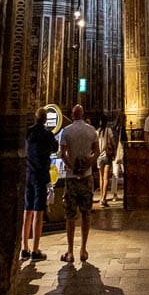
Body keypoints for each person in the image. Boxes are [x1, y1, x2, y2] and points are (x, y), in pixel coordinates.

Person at [58, 104, 98, 264]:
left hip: (71, 178)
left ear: (72, 115)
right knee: (86, 213)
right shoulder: (91, 130)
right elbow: (96, 150)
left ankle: (70, 251)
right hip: (87, 177)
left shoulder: (66, 131)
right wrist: (88, 164)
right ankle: (83, 249)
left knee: (70, 215)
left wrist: (73, 166)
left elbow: (63, 153)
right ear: (83, 114)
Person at [21, 107, 57, 261]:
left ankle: (24, 247)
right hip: (41, 175)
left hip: (28, 174)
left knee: (27, 209)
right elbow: (55, 148)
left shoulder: (27, 133)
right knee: (38, 210)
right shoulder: (47, 134)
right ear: (45, 120)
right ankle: (35, 249)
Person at [96, 113, 117, 206]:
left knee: (100, 178)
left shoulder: (97, 132)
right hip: (107, 156)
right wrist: (115, 150)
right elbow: (113, 142)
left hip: (99, 157)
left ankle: (101, 197)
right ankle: (103, 198)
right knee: (106, 178)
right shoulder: (108, 130)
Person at [110, 124, 124, 202]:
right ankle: (125, 193)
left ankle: (114, 194)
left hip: (115, 154)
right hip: (121, 153)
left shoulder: (113, 130)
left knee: (115, 174)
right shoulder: (122, 129)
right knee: (123, 173)